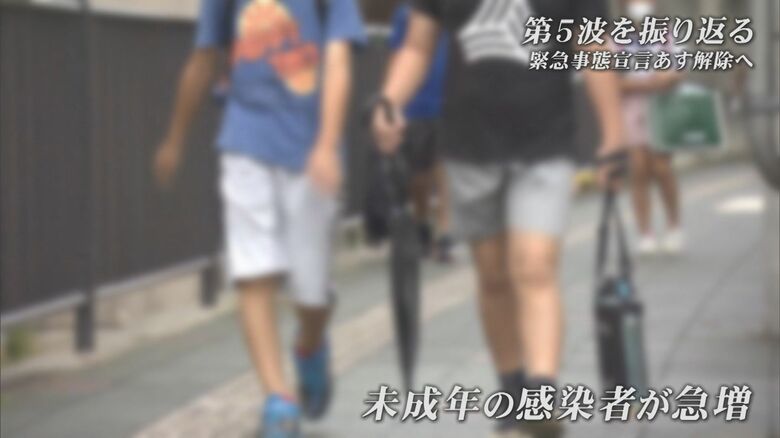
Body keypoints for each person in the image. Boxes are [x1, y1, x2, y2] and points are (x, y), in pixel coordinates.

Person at [371, 1, 624, 436]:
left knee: (534, 265)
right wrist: (389, 101)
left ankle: (541, 394)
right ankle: (511, 390)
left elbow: (594, 46)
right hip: (470, 145)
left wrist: (614, 137)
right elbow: (416, 46)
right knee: (492, 277)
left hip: (546, 142)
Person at [152, 1, 365, 437]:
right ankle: (278, 399)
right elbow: (204, 57)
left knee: (311, 293)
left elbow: (339, 57)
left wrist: (327, 144)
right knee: (252, 272)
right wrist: (174, 138)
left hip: (310, 151)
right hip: (245, 137)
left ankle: (310, 345)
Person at [388, 2, 453, 262]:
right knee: (419, 175)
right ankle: (422, 221)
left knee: (444, 166)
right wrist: (392, 102)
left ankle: (445, 232)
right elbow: (398, 54)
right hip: (415, 103)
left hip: (447, 100)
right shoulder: (406, 12)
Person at [618, 0, 685, 255]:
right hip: (630, 109)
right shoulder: (616, 39)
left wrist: (668, 77)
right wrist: (644, 84)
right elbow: (611, 80)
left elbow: (680, 69)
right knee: (638, 170)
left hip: (661, 108)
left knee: (662, 167)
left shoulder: (668, 35)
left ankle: (674, 225)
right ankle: (645, 232)